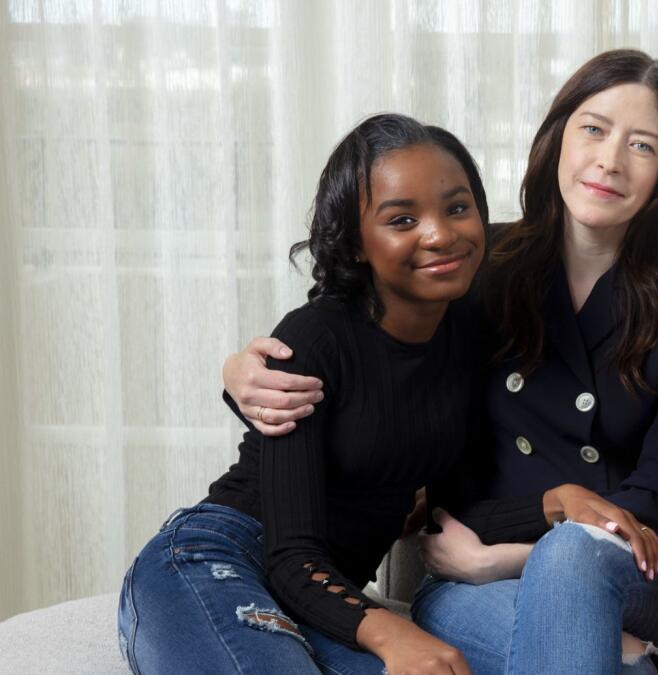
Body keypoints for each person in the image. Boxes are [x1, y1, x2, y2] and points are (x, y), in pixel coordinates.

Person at [221, 49, 658, 674]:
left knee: (574, 559)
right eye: (594, 130)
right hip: (471, 578)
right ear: (558, 140)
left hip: (642, 571)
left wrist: (510, 559)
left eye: (644, 145)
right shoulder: (477, 261)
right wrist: (242, 372)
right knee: (609, 660)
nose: (609, 159)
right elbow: (365, 345)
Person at [117, 113, 489, 675]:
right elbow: (291, 557)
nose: (439, 233)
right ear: (356, 242)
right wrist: (390, 630)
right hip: (219, 558)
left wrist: (556, 504)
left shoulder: (472, 323)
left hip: (326, 601)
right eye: (402, 218)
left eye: (458, 208)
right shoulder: (316, 338)